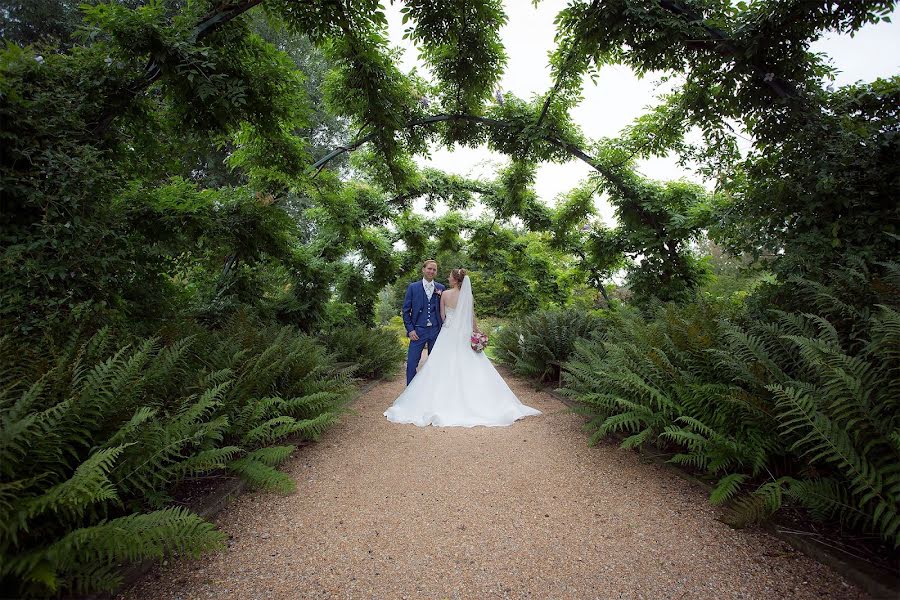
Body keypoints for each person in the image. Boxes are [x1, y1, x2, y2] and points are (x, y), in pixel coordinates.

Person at [385, 267, 541, 427]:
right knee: (471, 363)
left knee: (439, 365)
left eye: (449, 276)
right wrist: (476, 330)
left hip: (447, 333)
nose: (447, 277)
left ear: (454, 279)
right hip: (464, 334)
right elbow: (471, 315)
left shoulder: (444, 293)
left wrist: (450, 322)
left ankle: (435, 397)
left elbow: (443, 316)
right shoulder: (468, 295)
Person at [401, 259, 445, 385]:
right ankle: (410, 391)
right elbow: (405, 311)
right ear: (423, 269)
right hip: (418, 331)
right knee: (411, 363)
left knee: (435, 363)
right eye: (429, 268)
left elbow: (445, 310)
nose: (431, 271)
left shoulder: (440, 288)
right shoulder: (413, 287)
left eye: (434, 269)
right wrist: (410, 330)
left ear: (436, 272)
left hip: (436, 331)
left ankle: (432, 391)